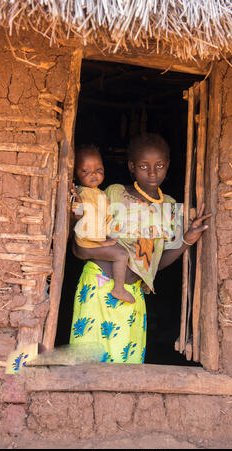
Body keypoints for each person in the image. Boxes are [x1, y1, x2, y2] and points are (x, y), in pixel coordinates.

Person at [69, 134, 211, 364]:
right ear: (132, 168)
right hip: (98, 287)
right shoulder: (114, 193)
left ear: (168, 166)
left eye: (160, 166)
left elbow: (155, 264)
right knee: (88, 367)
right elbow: (82, 244)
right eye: (144, 166)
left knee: (126, 371)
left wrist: (187, 240)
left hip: (132, 295)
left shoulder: (170, 207)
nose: (153, 173)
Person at [70, 144, 136, 304]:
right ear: (75, 174)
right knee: (121, 255)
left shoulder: (100, 194)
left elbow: (104, 219)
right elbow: (80, 220)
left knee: (123, 250)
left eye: (98, 170)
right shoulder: (81, 194)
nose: (93, 174)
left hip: (94, 241)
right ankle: (118, 289)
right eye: (86, 171)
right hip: (87, 243)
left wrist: (108, 236)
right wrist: (103, 241)